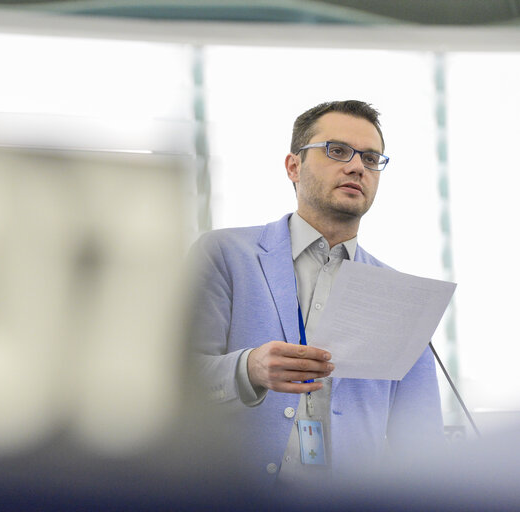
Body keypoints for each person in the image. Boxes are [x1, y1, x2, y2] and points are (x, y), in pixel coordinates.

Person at [188, 100, 443, 491]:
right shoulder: (224, 255)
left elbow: (423, 446)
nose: (357, 166)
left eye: (372, 158)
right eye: (337, 151)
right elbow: (169, 381)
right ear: (294, 166)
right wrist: (249, 368)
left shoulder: (399, 296)